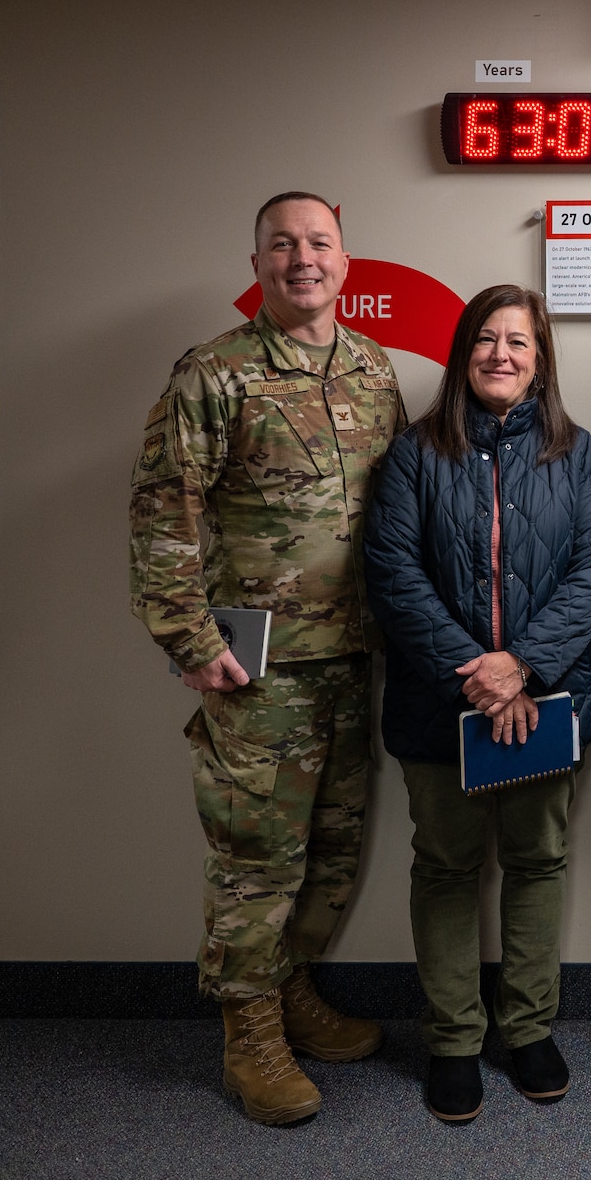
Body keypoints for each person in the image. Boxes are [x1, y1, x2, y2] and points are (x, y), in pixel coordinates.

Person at [130, 191, 404, 1126]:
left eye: (318, 242)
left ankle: (292, 993)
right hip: (257, 671)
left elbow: (397, 516)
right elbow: (166, 506)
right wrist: (189, 640)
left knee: (332, 851)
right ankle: (248, 1033)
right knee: (257, 857)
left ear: (345, 258)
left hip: (350, 657)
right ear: (257, 265)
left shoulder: (372, 370)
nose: (302, 259)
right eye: (281, 245)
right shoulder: (215, 372)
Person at [364, 286, 591, 1124]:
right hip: (443, 707)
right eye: (485, 339)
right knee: (445, 866)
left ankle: (529, 1028)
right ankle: (451, 1040)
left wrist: (525, 667)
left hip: (544, 704)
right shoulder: (412, 454)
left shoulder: (575, 454)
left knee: (537, 861)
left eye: (518, 341)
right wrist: (477, 673)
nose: (500, 354)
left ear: (542, 358)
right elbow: (393, 575)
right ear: (461, 353)